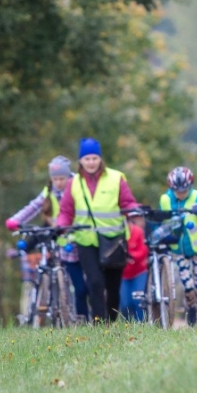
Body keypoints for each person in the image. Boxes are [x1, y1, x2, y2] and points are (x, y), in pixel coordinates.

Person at [56, 138, 140, 323]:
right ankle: (100, 324)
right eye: (87, 159)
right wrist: (60, 226)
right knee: (95, 282)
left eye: (94, 158)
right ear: (80, 161)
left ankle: (111, 320)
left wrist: (135, 210)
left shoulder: (116, 178)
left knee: (113, 286)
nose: (91, 162)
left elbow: (127, 202)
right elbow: (66, 211)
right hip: (86, 240)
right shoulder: (74, 183)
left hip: (113, 240)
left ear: (100, 159)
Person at [5, 155, 89, 322]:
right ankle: (57, 308)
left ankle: (86, 318)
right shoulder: (49, 191)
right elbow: (33, 207)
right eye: (55, 179)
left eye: (62, 178)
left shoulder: (80, 187)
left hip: (81, 238)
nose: (58, 182)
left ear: (69, 176)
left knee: (83, 287)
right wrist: (16, 220)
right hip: (61, 240)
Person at [159, 166, 197, 327]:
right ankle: (190, 307)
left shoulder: (196, 196)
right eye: (177, 191)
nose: (181, 193)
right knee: (188, 286)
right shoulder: (165, 199)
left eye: (184, 190)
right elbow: (162, 220)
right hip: (178, 250)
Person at [118, 213, 149, 322]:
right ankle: (126, 325)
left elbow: (143, 250)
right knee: (125, 303)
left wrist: (131, 256)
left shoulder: (137, 231)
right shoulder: (115, 234)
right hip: (122, 275)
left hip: (138, 272)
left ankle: (141, 324)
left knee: (138, 301)